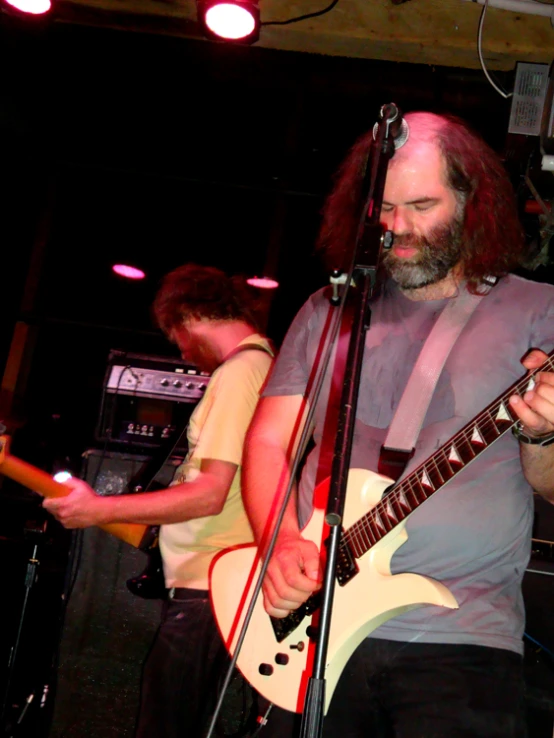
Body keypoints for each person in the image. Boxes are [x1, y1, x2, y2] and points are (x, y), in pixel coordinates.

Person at [241, 112, 554, 737]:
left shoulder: (536, 311)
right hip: (315, 629)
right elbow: (270, 439)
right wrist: (279, 545)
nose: (398, 228)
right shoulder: (332, 306)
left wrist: (543, 434)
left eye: (422, 205)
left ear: (472, 202)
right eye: (384, 208)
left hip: (460, 639)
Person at [43, 263, 274, 738]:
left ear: (188, 316)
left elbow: (209, 495)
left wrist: (97, 509)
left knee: (165, 723)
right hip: (220, 578)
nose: (186, 354)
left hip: (216, 580)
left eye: (178, 339)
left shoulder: (242, 370)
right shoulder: (261, 367)